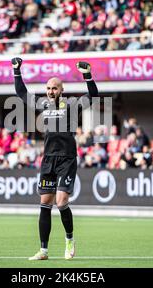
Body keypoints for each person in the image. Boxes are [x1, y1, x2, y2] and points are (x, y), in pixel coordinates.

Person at [11, 57, 98, 261]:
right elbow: (22, 93)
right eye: (48, 88)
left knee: (61, 202)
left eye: (54, 88)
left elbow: (93, 95)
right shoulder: (43, 103)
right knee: (45, 203)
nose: (51, 91)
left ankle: (69, 239)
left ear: (62, 90)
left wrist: (87, 75)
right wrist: (16, 70)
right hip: (48, 159)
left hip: (67, 158)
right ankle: (43, 251)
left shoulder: (72, 104)